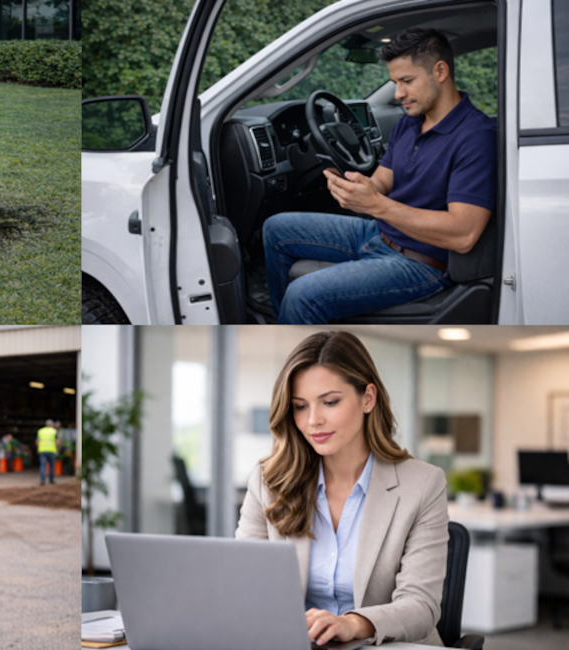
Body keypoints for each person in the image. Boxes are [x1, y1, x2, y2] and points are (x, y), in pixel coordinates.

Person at [263, 27, 497, 323]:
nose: (399, 94)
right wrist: (361, 189)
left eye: (406, 81)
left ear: (440, 71)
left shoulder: (476, 137)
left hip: (421, 263)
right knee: (275, 229)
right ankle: (283, 324)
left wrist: (376, 206)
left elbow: (463, 234)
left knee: (302, 295)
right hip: (377, 233)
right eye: (394, 82)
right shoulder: (410, 122)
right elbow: (383, 180)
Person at [236, 331, 448, 646]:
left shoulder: (423, 484)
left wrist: (353, 624)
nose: (313, 421)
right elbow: (242, 584)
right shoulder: (268, 481)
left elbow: (421, 606)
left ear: (368, 398)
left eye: (330, 402)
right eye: (300, 406)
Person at [36, 419, 59, 486]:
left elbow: (37, 441)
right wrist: (57, 450)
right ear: (51, 425)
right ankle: (51, 480)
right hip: (51, 450)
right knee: (52, 466)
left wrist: (38, 449)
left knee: (43, 466)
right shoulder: (54, 431)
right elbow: (57, 442)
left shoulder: (40, 431)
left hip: (42, 450)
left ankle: (42, 480)